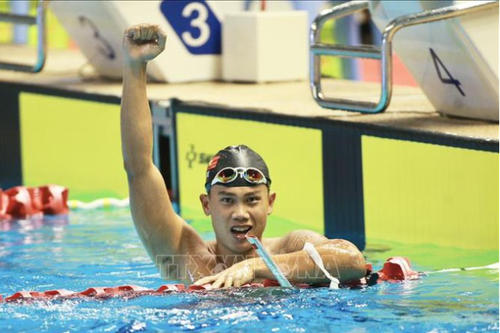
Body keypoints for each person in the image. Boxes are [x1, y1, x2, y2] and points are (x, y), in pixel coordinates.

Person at [121, 24, 366, 288]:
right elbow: (139, 168)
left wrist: (254, 267)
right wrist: (136, 67)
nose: (241, 213)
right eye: (227, 200)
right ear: (206, 205)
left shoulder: (289, 248)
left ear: (270, 202)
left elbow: (352, 260)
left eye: (252, 200)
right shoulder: (186, 256)